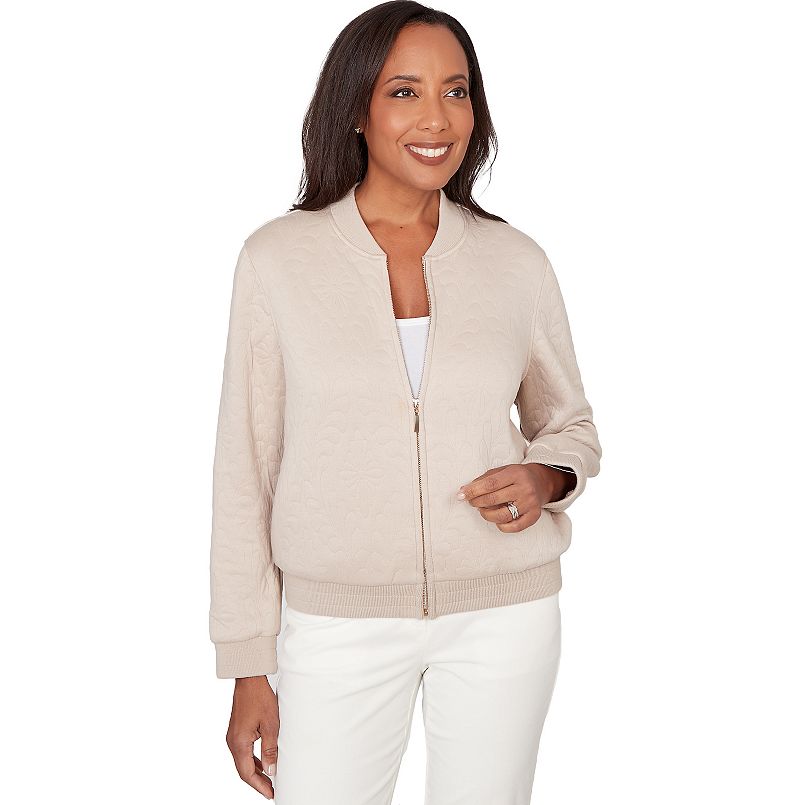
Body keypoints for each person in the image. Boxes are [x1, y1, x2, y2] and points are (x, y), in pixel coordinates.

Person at [209, 2, 602, 802]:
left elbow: (570, 425)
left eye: (455, 91)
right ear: (355, 109)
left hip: (504, 613)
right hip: (337, 622)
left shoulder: (514, 261)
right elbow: (245, 465)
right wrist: (247, 660)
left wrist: (546, 477)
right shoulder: (278, 260)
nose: (436, 118)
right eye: (404, 92)